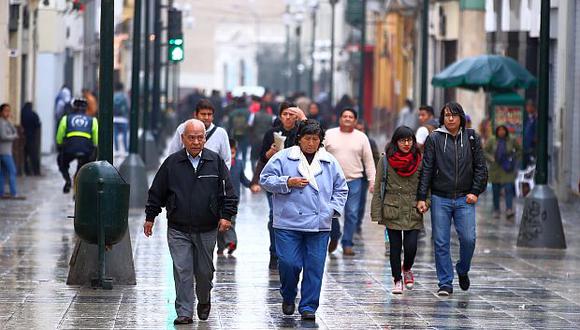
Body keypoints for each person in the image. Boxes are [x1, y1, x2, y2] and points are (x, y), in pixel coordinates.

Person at [144, 119, 238, 324]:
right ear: (183, 139)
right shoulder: (172, 163)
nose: (196, 142)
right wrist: (150, 217)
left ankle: (204, 299)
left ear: (205, 139)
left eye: (200, 137)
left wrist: (226, 216)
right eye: (191, 138)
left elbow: (228, 193)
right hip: (179, 228)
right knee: (182, 270)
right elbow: (157, 191)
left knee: (204, 272)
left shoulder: (215, 162)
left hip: (207, 228)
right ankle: (184, 311)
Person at [260, 119, 348, 321]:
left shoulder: (329, 161)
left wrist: (331, 210)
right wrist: (287, 182)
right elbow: (265, 179)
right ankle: (288, 295)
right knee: (289, 263)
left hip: (319, 223)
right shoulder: (283, 158)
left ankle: (308, 306)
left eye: (315, 139)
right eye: (307, 138)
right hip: (287, 222)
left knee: (315, 266)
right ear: (299, 139)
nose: (311, 143)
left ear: (320, 141)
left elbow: (341, 189)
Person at [416, 102, 488, 296]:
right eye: (447, 115)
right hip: (441, 197)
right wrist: (422, 196)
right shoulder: (434, 138)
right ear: (442, 118)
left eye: (454, 115)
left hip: (465, 198)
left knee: (468, 239)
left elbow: (481, 167)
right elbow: (427, 169)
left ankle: (462, 269)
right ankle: (445, 282)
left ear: (461, 117)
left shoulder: (472, 137)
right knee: (440, 242)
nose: (450, 118)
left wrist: (475, 191)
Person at [250, 101, 305, 270]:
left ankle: (292, 253)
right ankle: (274, 253)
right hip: (274, 181)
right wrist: (269, 153)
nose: (288, 118)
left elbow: (315, 141)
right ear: (280, 116)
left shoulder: (300, 132)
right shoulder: (271, 133)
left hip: (296, 181)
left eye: (291, 114)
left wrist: (303, 119)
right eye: (285, 114)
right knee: (275, 215)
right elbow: (262, 158)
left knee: (296, 216)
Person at [371, 126, 425, 294]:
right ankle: (397, 279)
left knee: (411, 247)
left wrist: (426, 201)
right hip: (391, 208)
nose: (406, 144)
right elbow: (379, 185)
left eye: (409, 140)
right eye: (403, 140)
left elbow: (425, 185)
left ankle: (407, 267)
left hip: (412, 208)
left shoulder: (420, 160)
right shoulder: (386, 161)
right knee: (395, 247)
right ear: (396, 142)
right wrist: (376, 212)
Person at [324, 108, 375, 256]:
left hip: (354, 180)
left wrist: (372, 181)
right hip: (331, 181)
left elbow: (369, 161)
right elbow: (319, 155)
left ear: (355, 121)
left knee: (352, 213)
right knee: (330, 212)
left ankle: (347, 243)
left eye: (350, 117)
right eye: (344, 116)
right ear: (340, 119)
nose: (347, 119)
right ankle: (334, 236)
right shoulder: (329, 134)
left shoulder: (362, 137)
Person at [168, 99, 231, 168]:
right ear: (195, 114)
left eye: (209, 114)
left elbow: (226, 160)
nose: (206, 117)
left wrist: (221, 177)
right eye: (203, 114)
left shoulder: (221, 133)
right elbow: (172, 154)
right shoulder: (183, 128)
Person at [56, 98, 98, 194]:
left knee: (61, 162)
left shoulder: (66, 119)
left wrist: (60, 145)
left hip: (70, 148)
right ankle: (78, 190)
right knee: (84, 167)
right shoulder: (93, 120)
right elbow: (96, 140)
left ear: (73, 108)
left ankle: (67, 180)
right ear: (85, 109)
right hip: (86, 149)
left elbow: (59, 137)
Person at [216, 139, 251, 256]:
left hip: (234, 199)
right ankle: (221, 247)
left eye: (233, 153)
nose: (231, 156)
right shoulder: (218, 164)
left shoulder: (239, 164)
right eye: (229, 153)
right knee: (219, 223)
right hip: (219, 198)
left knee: (231, 221)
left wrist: (252, 185)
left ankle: (231, 242)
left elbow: (243, 179)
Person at [484, 125, 521, 220]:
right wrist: (490, 158)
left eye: (503, 130)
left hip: (507, 168)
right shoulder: (492, 140)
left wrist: (513, 158)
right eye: (499, 130)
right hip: (495, 168)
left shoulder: (511, 139)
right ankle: (496, 209)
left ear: (506, 131)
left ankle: (509, 209)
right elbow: (484, 151)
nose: (501, 132)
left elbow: (519, 150)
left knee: (509, 188)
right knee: (496, 190)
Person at [354, 119, 379, 235]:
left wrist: (374, 177)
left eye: (362, 129)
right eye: (358, 129)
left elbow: (375, 158)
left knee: (360, 201)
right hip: (349, 175)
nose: (360, 131)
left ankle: (357, 223)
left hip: (363, 177)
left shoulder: (370, 142)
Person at [0, 103, 24, 199]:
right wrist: (13, 137)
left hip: (5, 151)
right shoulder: (1, 123)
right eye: (6, 111)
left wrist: (10, 121)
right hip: (5, 152)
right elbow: (3, 136)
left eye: (9, 111)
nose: (8, 113)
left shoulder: (6, 122)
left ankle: (1, 193)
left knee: (2, 173)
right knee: (12, 171)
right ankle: (13, 192)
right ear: (1, 112)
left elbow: (14, 130)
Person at [20, 102, 41, 176]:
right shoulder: (33, 114)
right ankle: (36, 171)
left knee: (25, 156)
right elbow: (38, 124)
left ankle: (27, 171)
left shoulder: (22, 113)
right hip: (32, 137)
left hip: (23, 137)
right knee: (34, 156)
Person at [113, 83, 130, 154]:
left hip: (115, 118)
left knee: (115, 134)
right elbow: (128, 106)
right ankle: (126, 150)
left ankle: (117, 150)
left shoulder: (114, 96)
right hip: (123, 118)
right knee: (124, 134)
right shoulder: (125, 96)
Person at [523, 100, 537, 167]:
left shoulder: (535, 118)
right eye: (527, 106)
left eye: (529, 106)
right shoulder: (528, 118)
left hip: (532, 146)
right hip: (526, 145)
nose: (527, 108)